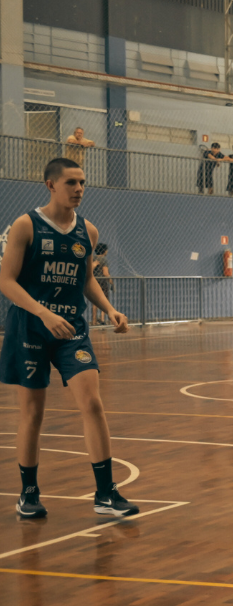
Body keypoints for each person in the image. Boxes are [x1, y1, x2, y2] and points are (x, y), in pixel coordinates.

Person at [0, 157, 138, 519]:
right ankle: (28, 493)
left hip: (71, 331)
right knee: (32, 413)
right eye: (71, 183)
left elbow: (85, 278)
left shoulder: (87, 232)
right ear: (51, 185)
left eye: (82, 183)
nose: (79, 189)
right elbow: (6, 281)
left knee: (92, 403)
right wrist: (44, 313)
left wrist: (109, 309)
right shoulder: (25, 226)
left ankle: (105, 493)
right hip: (30, 328)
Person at [91, 242, 112, 326]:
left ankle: (94, 321)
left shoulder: (92, 258)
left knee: (94, 302)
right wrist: (111, 281)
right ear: (104, 251)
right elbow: (105, 272)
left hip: (94, 281)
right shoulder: (104, 259)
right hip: (102, 281)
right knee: (104, 299)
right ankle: (102, 319)